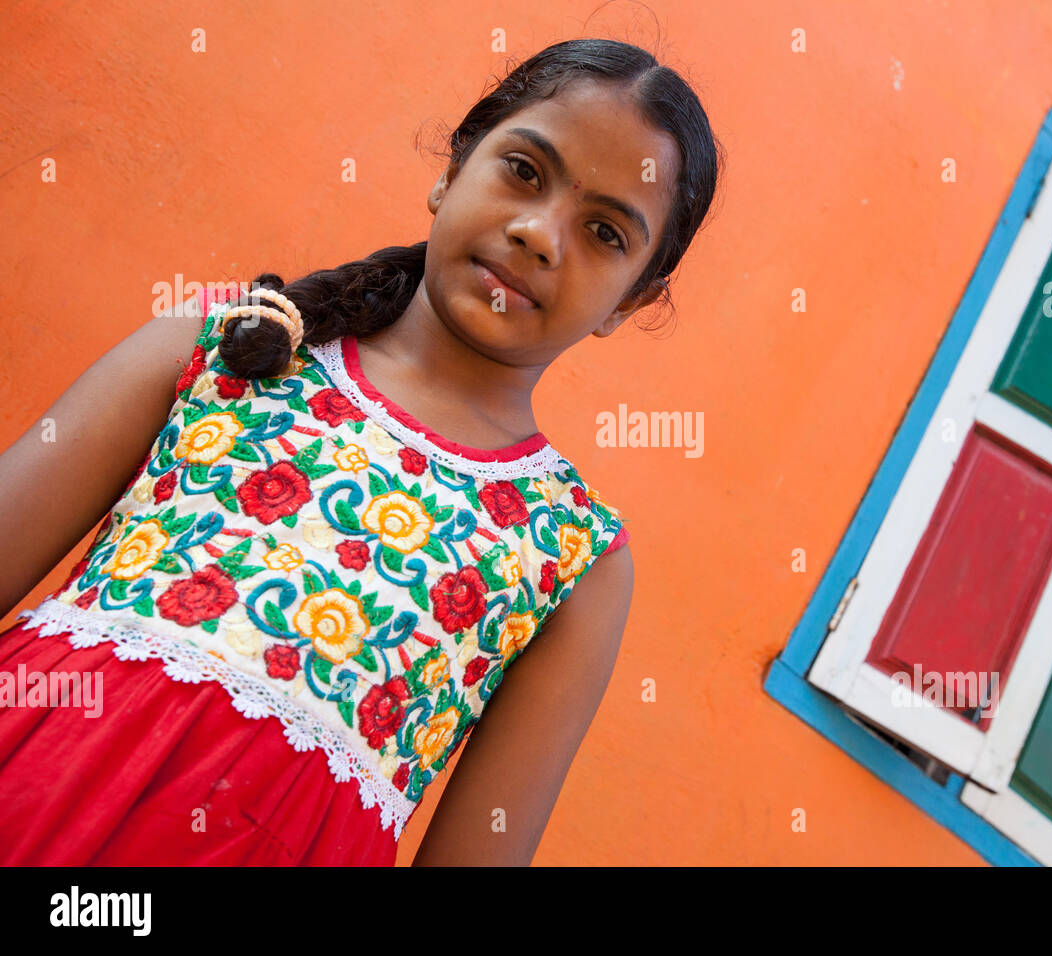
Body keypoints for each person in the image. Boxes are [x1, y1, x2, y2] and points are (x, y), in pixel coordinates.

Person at [0, 37, 723, 866]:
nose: (538, 233)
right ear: (453, 167)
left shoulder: (574, 557)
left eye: (602, 231)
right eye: (525, 171)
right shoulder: (230, 345)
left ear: (630, 301)